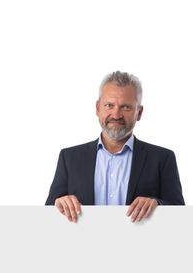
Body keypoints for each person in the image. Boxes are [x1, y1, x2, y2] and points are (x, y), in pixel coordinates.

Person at [45, 71, 185, 222]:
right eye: (109, 105)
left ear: (139, 112)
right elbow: (47, 215)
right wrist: (58, 203)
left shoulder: (162, 159)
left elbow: (180, 215)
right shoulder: (69, 158)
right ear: (98, 108)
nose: (116, 114)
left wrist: (158, 205)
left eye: (126, 107)